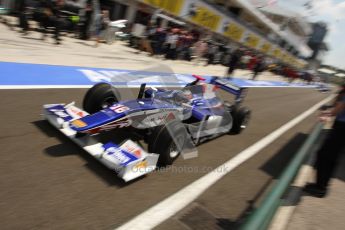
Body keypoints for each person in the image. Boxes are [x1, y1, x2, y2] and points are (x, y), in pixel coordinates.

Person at [304, 83, 345, 198]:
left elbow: (341, 105)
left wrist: (328, 114)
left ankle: (320, 188)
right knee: (331, 157)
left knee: (325, 156)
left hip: (342, 127)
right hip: (341, 126)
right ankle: (321, 186)